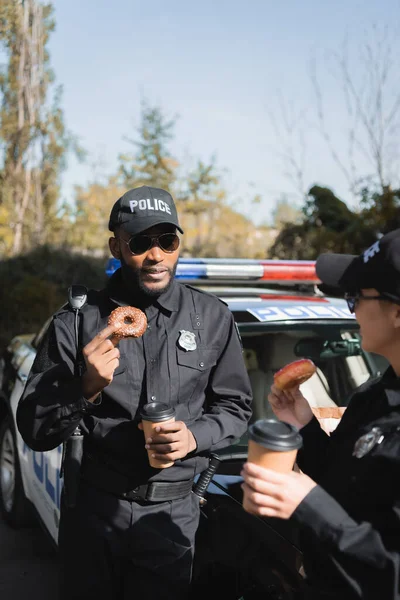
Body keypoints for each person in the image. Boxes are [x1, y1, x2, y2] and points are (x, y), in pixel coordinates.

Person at [16, 185, 253, 600]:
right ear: (116, 246)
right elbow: (35, 430)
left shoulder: (211, 318)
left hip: (173, 516)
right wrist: (85, 386)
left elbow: (236, 406)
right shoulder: (79, 322)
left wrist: (194, 437)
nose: (156, 254)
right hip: (93, 512)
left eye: (168, 240)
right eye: (140, 242)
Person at [241, 228, 400, 600]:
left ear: (396, 312)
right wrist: (304, 427)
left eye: (356, 297)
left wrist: (309, 506)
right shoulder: (375, 395)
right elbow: (345, 478)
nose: (353, 308)